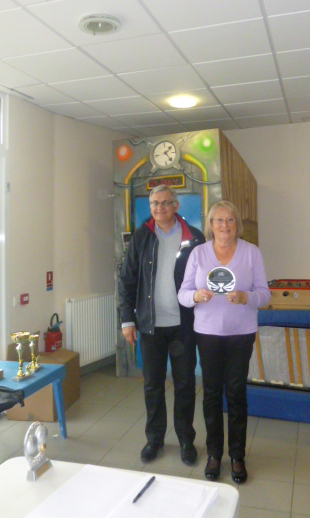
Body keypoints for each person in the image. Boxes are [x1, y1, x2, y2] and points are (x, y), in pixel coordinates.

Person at [178, 200, 270, 483]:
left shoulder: (251, 252)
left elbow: (264, 295)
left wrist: (245, 297)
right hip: (208, 334)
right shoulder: (198, 253)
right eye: (219, 220)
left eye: (230, 220)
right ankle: (214, 454)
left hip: (241, 334)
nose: (224, 225)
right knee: (212, 394)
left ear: (237, 224)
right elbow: (183, 294)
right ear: (211, 224)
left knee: (237, 393)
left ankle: (238, 456)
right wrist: (196, 296)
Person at [118, 185, 205, 465]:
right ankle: (154, 439)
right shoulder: (142, 236)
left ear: (176, 206)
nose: (159, 208)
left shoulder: (194, 237)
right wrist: (127, 320)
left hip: (184, 325)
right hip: (150, 326)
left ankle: (185, 439)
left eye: (165, 203)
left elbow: (205, 279)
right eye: (155, 203)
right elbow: (127, 280)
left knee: (185, 385)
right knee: (152, 386)